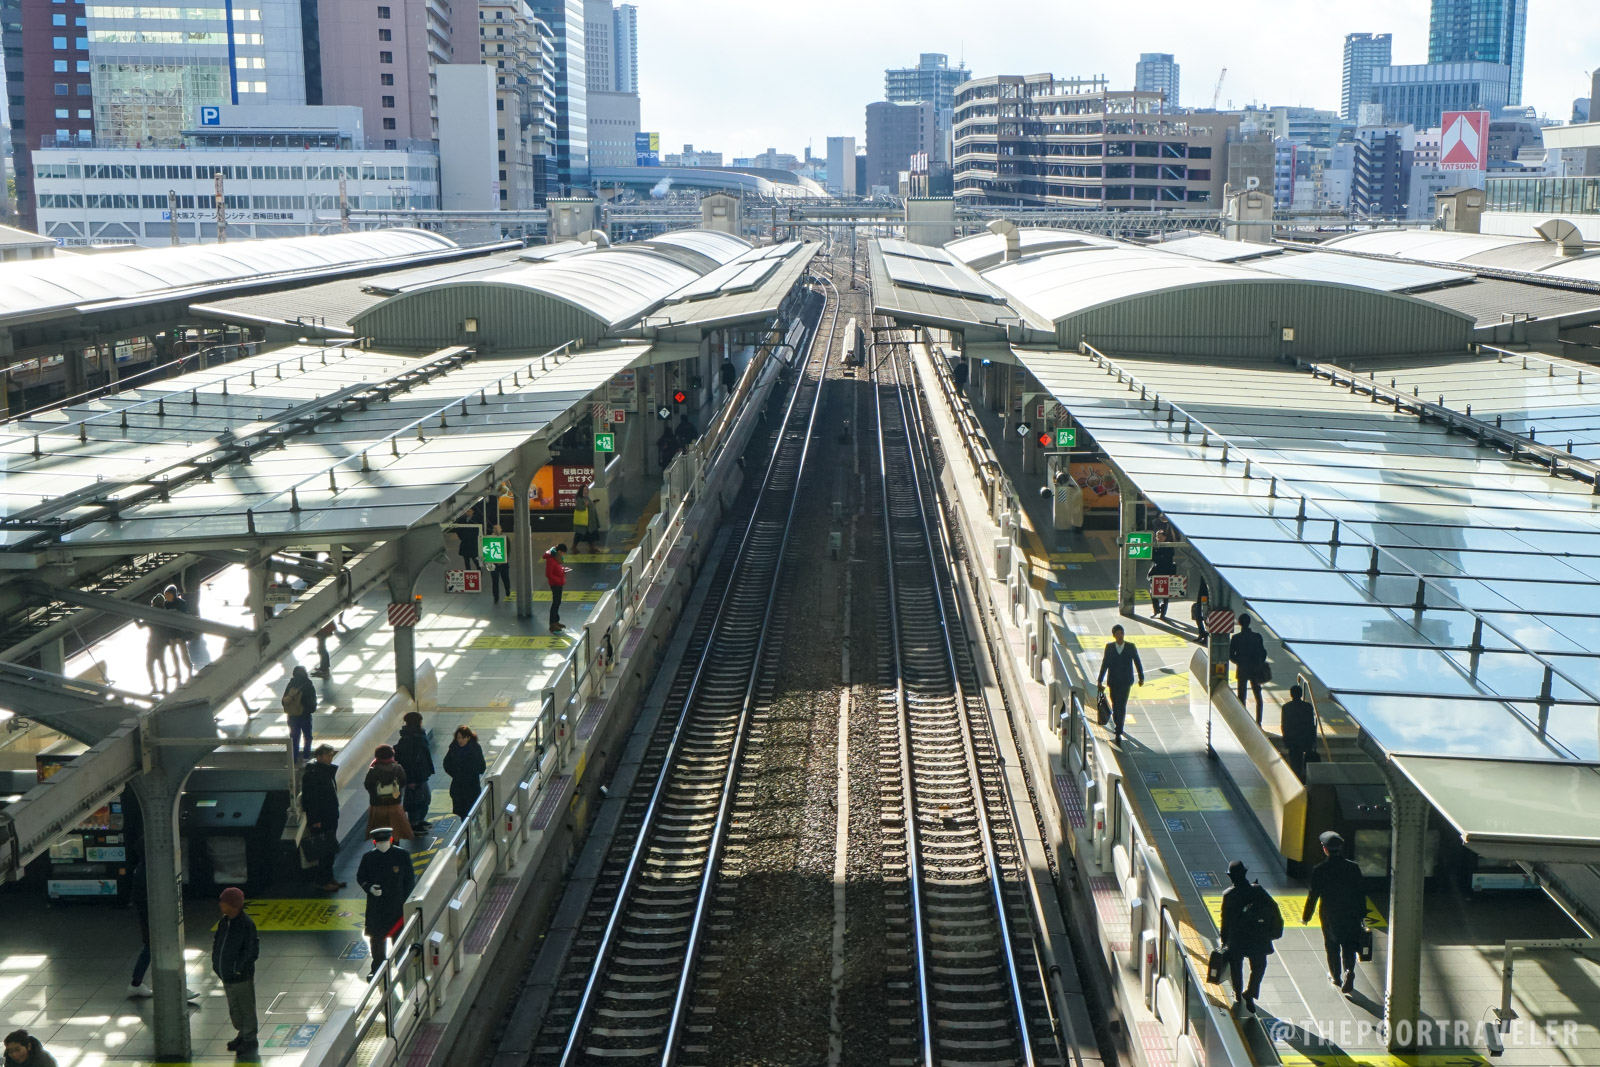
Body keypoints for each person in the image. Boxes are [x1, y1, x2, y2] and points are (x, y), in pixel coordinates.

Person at [1303, 831, 1366, 996]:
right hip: (1351, 913)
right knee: (1349, 945)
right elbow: (1360, 892)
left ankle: (1336, 976)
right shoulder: (1353, 867)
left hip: (1330, 914)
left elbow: (1313, 895)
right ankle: (1349, 971)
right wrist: (1361, 914)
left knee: (1332, 946)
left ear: (1325, 849)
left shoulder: (1319, 870)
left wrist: (1306, 916)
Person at [1218, 860, 1275, 1015]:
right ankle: (1250, 992)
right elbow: (1272, 908)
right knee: (1259, 966)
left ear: (1231, 878)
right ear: (1244, 874)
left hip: (1236, 939)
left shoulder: (1228, 895)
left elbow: (1225, 921)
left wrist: (1224, 942)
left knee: (1236, 967)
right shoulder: (1258, 890)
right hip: (1257, 937)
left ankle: (1237, 993)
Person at [357, 827, 415, 980]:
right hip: (377, 908)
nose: (382, 844)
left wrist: (407, 901)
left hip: (397, 907)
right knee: (376, 940)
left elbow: (409, 880)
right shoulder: (368, 858)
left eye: (385, 841)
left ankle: (402, 968)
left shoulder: (402, 855)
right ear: (374, 842)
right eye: (379, 842)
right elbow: (361, 877)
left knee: (400, 941)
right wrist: (369, 887)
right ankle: (377, 969)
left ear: (391, 840)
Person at [212, 886, 260, 1053]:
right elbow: (217, 942)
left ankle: (250, 1038)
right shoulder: (224, 922)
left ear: (232, 905)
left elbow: (251, 951)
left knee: (246, 1007)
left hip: (240, 976)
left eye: (223, 902)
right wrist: (216, 963)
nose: (220, 904)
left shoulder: (246, 924)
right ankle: (243, 1032)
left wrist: (237, 968)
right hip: (227, 974)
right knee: (235, 1008)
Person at [300, 744, 344, 892]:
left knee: (330, 848)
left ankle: (329, 878)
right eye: (327, 755)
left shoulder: (324, 771)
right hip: (322, 819)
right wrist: (315, 820)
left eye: (331, 755)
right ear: (318, 756)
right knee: (324, 850)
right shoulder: (313, 774)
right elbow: (310, 799)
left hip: (330, 816)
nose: (330, 758)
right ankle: (323, 880)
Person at [1095, 624, 1144, 746]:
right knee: (1115, 704)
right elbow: (1105, 664)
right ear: (1114, 636)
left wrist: (1141, 677)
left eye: (1121, 633)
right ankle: (1118, 722)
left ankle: (1119, 730)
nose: (1120, 636)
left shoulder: (1130, 647)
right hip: (1113, 681)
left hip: (1126, 682)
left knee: (1122, 705)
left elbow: (1137, 662)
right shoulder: (1110, 648)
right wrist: (1100, 680)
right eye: (1117, 634)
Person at [394, 711, 434, 834]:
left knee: (424, 798)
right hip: (415, 776)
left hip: (421, 773)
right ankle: (414, 824)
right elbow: (406, 762)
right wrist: (409, 780)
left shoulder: (419, 735)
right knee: (416, 800)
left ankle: (420, 820)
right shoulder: (409, 739)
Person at [363, 744, 413, 840]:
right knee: (396, 833)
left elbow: (367, 785)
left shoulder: (373, 771)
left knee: (379, 834)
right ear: (391, 756)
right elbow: (403, 782)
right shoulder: (398, 768)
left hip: (377, 807)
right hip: (394, 806)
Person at [1229, 613, 1269, 723]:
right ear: (1249, 622)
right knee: (1258, 696)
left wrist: (1240, 662)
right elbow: (1263, 652)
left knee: (1241, 696)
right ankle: (1259, 722)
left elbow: (1231, 655)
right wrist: (1259, 662)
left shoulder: (1236, 638)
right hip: (1256, 669)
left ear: (1239, 623)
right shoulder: (1257, 637)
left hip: (1242, 669)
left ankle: (1242, 720)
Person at [442, 726, 486, 819]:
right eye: (458, 738)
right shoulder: (454, 748)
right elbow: (447, 763)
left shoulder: (475, 748)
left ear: (468, 738)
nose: (460, 740)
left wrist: (471, 773)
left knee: (470, 809)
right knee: (460, 810)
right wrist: (456, 774)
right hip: (459, 786)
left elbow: (481, 766)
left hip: (471, 785)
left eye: (463, 737)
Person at [127, 855, 153, 996]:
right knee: (162, 947)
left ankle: (136, 982)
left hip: (145, 916)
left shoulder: (141, 868)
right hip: (152, 917)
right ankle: (135, 983)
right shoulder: (149, 871)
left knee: (150, 948)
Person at [1281, 685, 1318, 781]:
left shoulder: (1286, 707)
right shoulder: (1308, 706)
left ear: (1291, 694)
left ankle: (1296, 780)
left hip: (1293, 740)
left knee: (1294, 761)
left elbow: (1284, 724)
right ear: (1301, 694)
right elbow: (1311, 723)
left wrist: (1285, 738)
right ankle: (1306, 778)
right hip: (1306, 738)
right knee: (1307, 761)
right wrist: (1313, 738)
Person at [281, 665, 317, 761]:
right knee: (307, 736)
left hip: (292, 716)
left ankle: (294, 758)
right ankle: (306, 756)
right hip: (305, 716)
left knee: (294, 738)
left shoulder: (291, 684)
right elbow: (312, 704)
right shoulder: (308, 685)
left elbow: (283, 700)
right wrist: (307, 710)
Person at [161, 584, 193, 680]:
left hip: (179, 629)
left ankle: (189, 669)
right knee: (173, 651)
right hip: (171, 629)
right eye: (165, 595)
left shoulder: (181, 603)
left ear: (173, 594)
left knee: (183, 651)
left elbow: (185, 615)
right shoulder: (166, 604)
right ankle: (177, 670)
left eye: (168, 594)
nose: (166, 597)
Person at [143, 594, 171, 692]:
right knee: (162, 665)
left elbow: (140, 626)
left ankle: (154, 687)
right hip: (162, 643)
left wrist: (135, 617)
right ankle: (165, 687)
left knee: (150, 665)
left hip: (152, 643)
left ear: (153, 604)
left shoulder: (151, 614)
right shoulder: (166, 614)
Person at [1150, 523, 1177, 619]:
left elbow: (1166, 558)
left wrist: (1158, 558)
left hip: (1166, 571)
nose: (1158, 538)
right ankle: (1156, 609)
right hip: (1156, 571)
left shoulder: (1169, 546)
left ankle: (1163, 612)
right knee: (1152, 591)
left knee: (1165, 593)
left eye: (1160, 537)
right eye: (1157, 537)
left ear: (1165, 537)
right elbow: (1152, 557)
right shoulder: (1155, 546)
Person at [544, 542, 570, 633]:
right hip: (555, 584)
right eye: (563, 553)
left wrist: (562, 570)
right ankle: (552, 623)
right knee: (555, 603)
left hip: (558, 583)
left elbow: (557, 569)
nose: (563, 555)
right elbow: (549, 574)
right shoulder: (551, 559)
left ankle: (556, 621)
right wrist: (558, 579)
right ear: (559, 551)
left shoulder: (556, 557)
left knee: (557, 602)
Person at [487, 524, 512, 604]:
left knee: (505, 578)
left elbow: (508, 550)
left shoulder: (505, 538)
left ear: (501, 529)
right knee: (495, 581)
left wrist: (505, 560)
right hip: (493, 563)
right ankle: (496, 596)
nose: (496, 530)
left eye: (498, 528)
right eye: (495, 528)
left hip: (503, 564)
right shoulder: (489, 538)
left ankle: (507, 590)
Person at [1190, 579, 1211, 645]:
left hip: (1208, 597)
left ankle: (1205, 635)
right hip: (1203, 597)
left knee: (1205, 617)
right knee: (1198, 614)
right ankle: (1203, 634)